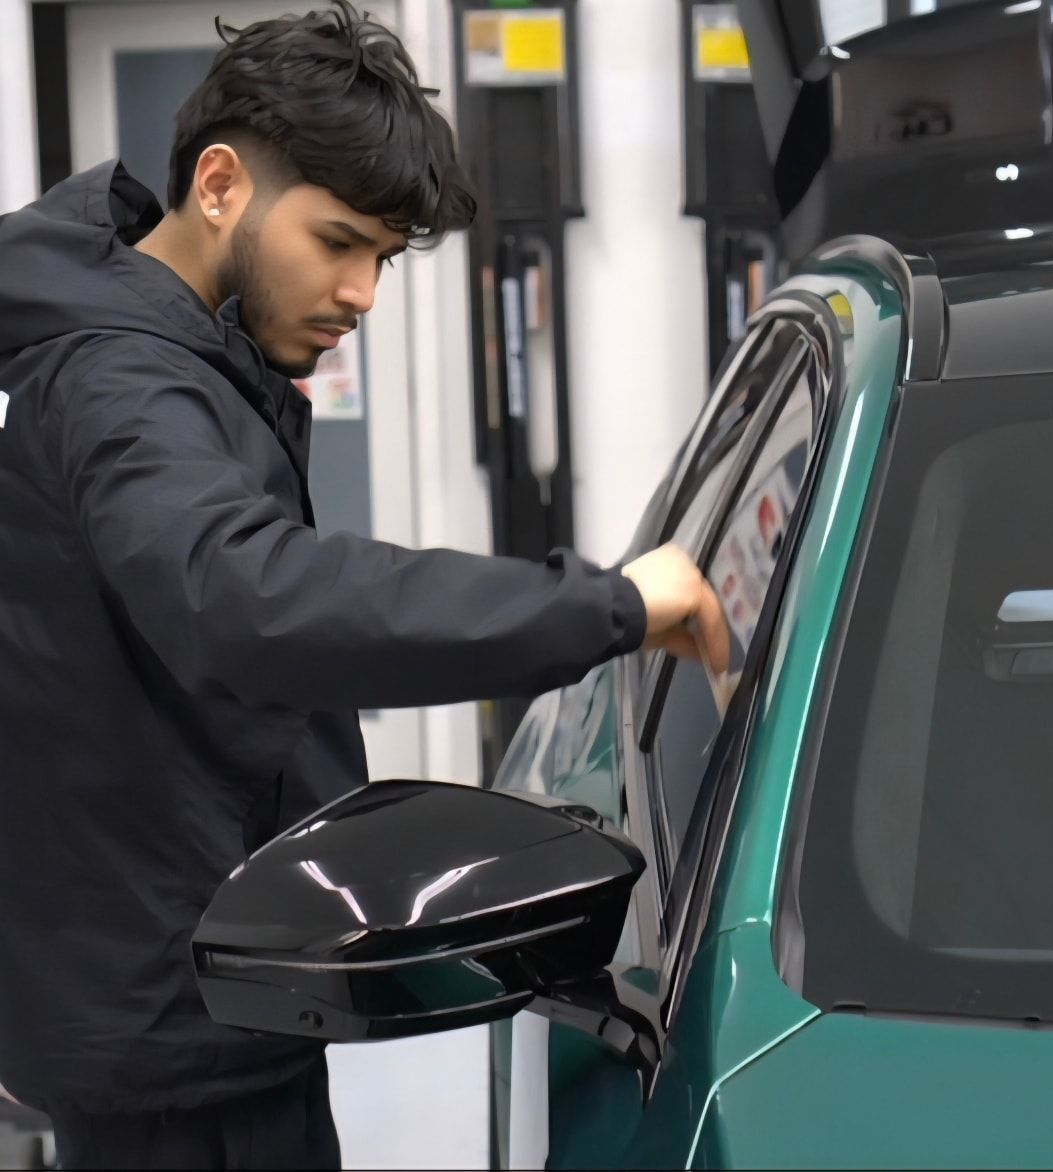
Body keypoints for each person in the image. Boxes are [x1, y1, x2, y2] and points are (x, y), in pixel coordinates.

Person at [0, 3, 728, 1167]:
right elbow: (247, 596)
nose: (361, 294)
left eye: (381, 258)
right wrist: (608, 605)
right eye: (337, 241)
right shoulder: (124, 386)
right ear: (223, 185)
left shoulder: (176, 357)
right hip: (175, 1048)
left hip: (200, 1000)